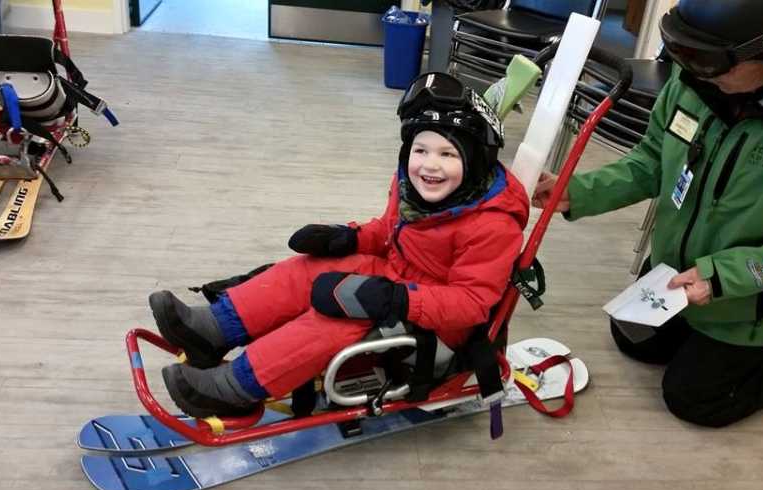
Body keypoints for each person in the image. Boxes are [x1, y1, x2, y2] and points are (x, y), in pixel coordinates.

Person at [534, 0, 763, 427]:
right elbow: (652, 160)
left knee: (696, 399)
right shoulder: (701, 75)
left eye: (709, 60)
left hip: (753, 294)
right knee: (634, 340)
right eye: (681, 52)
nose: (691, 71)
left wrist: (725, 275)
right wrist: (578, 192)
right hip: (678, 271)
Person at [149, 72, 530, 418]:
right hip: (397, 280)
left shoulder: (491, 224)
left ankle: (235, 389)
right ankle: (212, 330)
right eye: (421, 150)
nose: (430, 165)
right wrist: (347, 237)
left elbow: (471, 304)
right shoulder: (412, 189)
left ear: (475, 159)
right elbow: (388, 231)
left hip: (438, 324)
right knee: (308, 270)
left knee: (334, 318)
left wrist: (398, 300)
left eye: (448, 154)